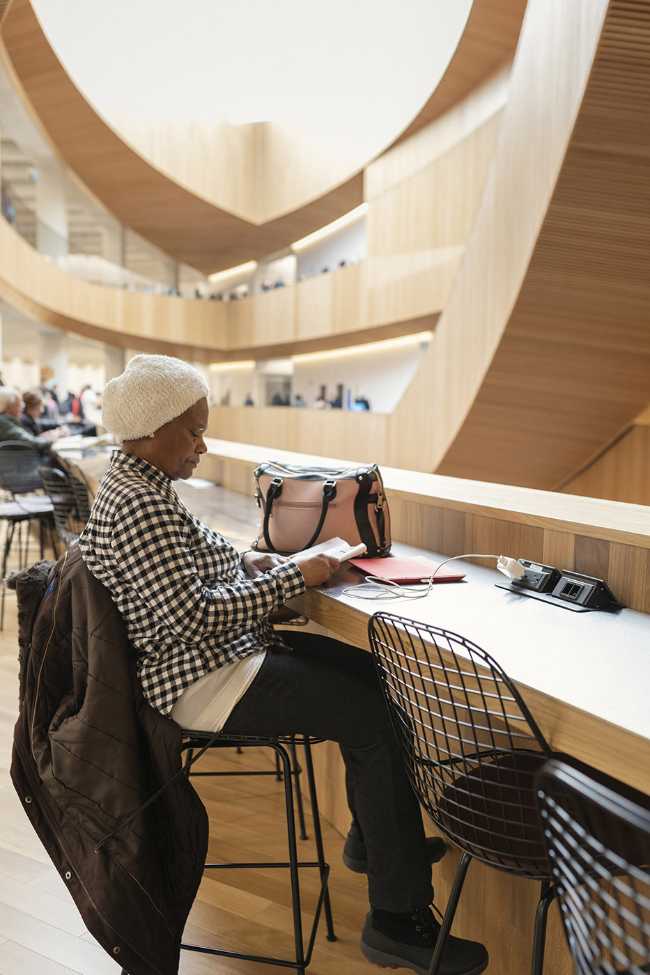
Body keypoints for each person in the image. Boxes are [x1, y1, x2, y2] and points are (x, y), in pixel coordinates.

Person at [77, 354, 487, 975]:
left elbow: (199, 562)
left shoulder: (141, 485)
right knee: (372, 714)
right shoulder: (140, 503)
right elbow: (193, 617)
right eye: (193, 431)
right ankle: (396, 918)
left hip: (209, 660)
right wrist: (294, 577)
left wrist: (256, 564)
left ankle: (379, 843)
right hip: (198, 679)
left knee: (374, 675)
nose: (202, 446)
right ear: (154, 427)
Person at [0, 386, 57, 453]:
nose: (23, 406)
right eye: (19, 403)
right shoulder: (3, 422)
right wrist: (52, 438)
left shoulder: (6, 421)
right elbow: (32, 443)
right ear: (9, 406)